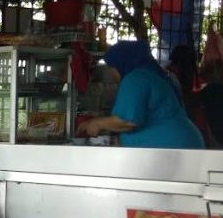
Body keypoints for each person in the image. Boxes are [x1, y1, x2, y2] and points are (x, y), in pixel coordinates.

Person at [76, 40, 204, 149]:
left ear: (119, 63)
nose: (111, 73)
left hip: (172, 148)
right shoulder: (152, 75)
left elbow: (128, 121)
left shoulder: (136, 78)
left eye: (111, 67)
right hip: (182, 146)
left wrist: (97, 123)